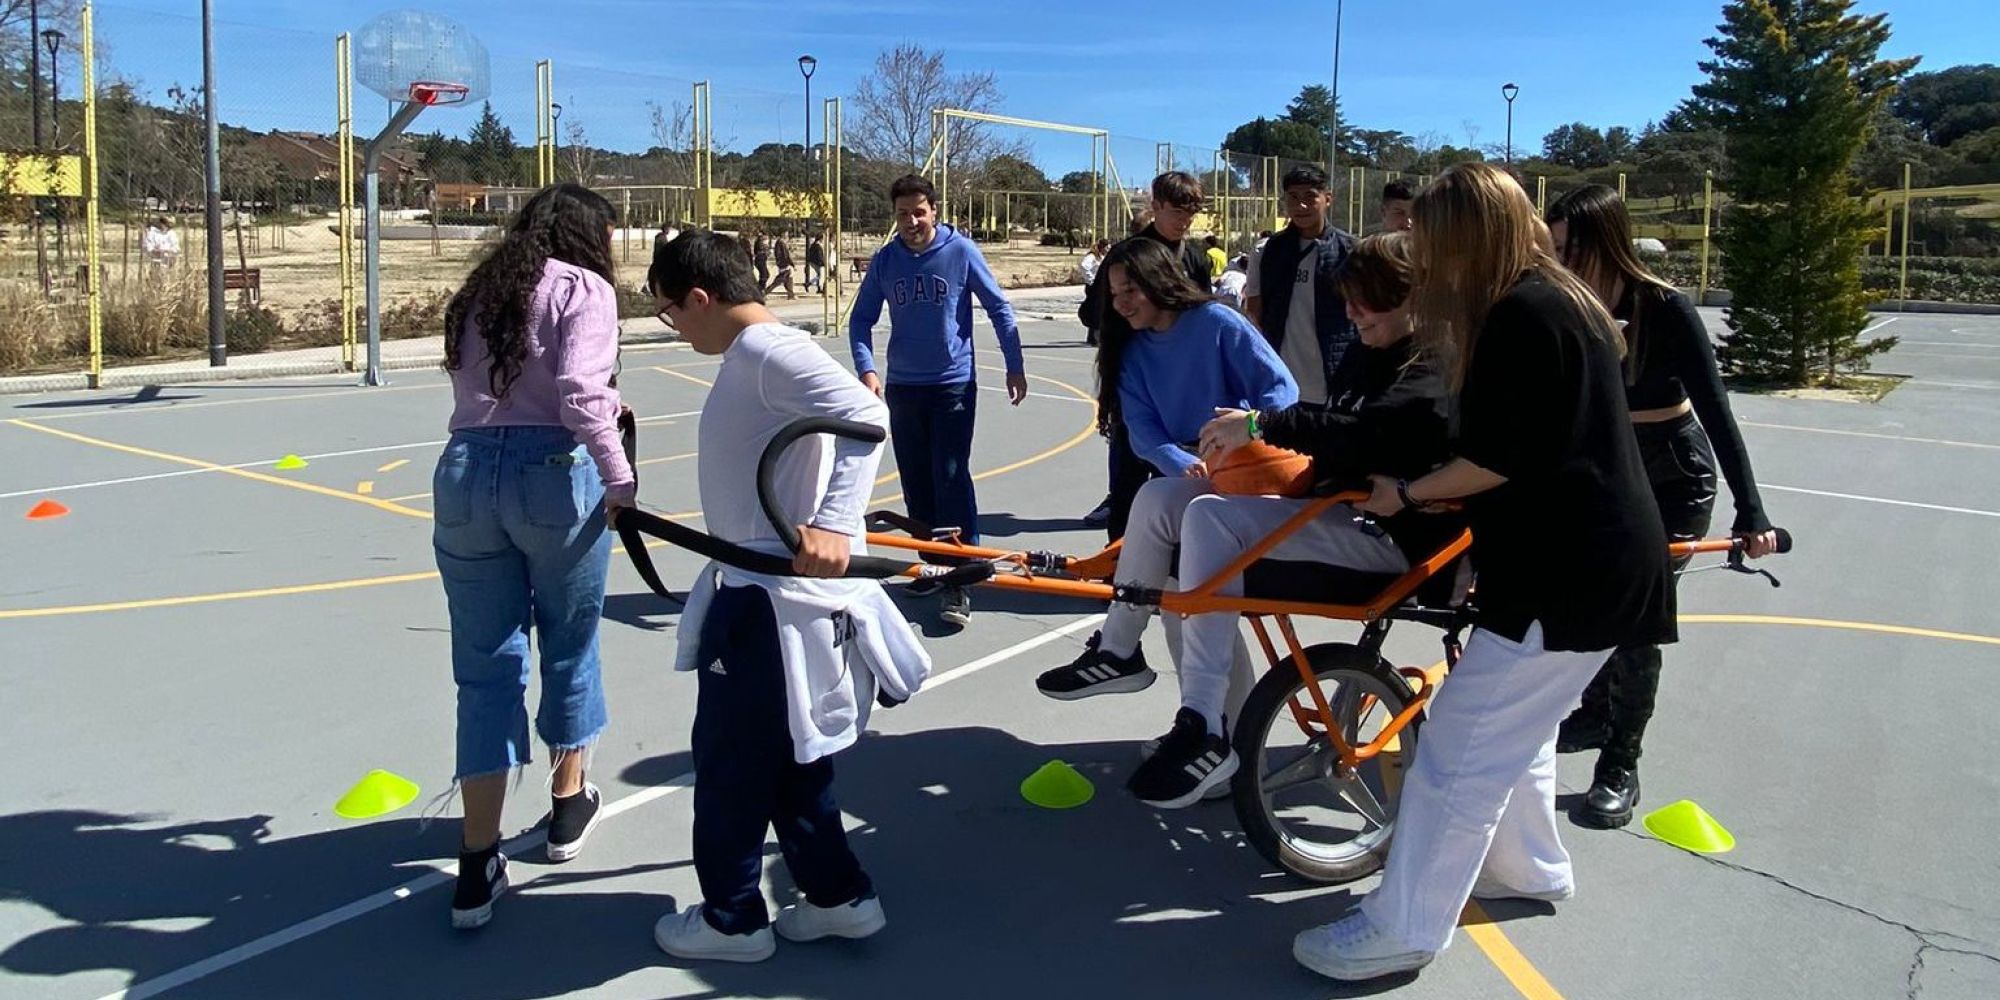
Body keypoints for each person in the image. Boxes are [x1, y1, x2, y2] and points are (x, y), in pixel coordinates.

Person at [1291, 162, 1676, 982]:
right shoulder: (1555, 298)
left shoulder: (1521, 315)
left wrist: (1408, 493)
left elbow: (1496, 461)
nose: (1424, 261)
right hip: (1588, 565)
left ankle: (1403, 926)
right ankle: (1532, 869)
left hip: (1569, 572)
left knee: (1458, 753)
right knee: (1519, 734)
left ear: (1467, 239)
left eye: (1432, 243)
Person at [647, 230, 929, 963]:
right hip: (764, 593)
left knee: (731, 764)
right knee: (790, 759)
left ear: (702, 299)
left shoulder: (770, 352)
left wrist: (835, 523)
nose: (676, 329)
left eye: (671, 314)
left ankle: (733, 918)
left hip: (766, 602)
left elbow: (869, 417)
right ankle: (839, 898)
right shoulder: (758, 354)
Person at [1124, 232, 1458, 807]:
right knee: (1166, 502)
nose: (1351, 313)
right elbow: (1337, 432)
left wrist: (1259, 426)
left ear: (1410, 297)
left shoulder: (1433, 363)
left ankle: (1203, 719)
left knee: (1210, 521)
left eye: (1365, 300)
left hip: (1393, 540)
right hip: (1338, 511)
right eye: (1347, 300)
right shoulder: (1367, 350)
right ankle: (1120, 647)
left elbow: (1368, 430)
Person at [1544, 184, 1779, 828]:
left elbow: (1718, 412)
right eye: (1553, 249)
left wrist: (1750, 510)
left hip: (1672, 473)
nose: (1559, 262)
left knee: (1637, 620)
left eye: (1568, 249)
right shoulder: (1568, 306)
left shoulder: (1666, 308)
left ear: (1603, 244)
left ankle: (1621, 761)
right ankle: (1593, 716)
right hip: (1605, 470)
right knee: (1589, 605)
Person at [433, 183, 634, 930]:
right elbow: (582, 393)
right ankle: (565, 805)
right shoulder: (583, 288)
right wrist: (620, 475)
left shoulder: (484, 288)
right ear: (590, 235)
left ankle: (477, 857)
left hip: (464, 468)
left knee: (484, 666)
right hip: (550, 475)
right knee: (569, 642)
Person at [1036, 239, 1296, 713]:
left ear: (1160, 281)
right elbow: (1145, 435)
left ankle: (1206, 720)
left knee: (1195, 599)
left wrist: (1244, 430)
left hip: (1252, 475)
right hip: (1196, 479)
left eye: (1131, 288)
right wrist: (1183, 463)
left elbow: (1283, 392)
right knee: (1177, 595)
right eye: (1114, 295)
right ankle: (1143, 670)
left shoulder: (1218, 324)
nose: (1122, 303)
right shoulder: (1131, 352)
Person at [848, 174, 1028, 628]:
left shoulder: (960, 252)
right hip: (904, 388)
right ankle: (932, 565)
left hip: (952, 384)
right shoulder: (886, 261)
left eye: (919, 212)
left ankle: (961, 578)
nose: (911, 221)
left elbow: (999, 308)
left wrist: (1014, 363)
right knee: (916, 482)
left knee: (949, 477)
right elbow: (861, 320)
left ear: (934, 211)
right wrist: (867, 371)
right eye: (903, 214)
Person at [1078, 172, 1216, 539]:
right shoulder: (1127, 256)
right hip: (1133, 381)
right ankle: (1119, 565)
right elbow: (1091, 313)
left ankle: (1173, 569)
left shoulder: (1196, 258)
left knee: (1183, 482)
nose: (1184, 221)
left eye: (1192, 213)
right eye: (1177, 212)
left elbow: (1203, 317)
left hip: (1181, 385)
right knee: (1128, 479)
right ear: (1155, 207)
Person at [1246, 165, 1359, 406]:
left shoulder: (1350, 251)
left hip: (1332, 382)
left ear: (1327, 199)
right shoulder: (1269, 251)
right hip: (1282, 382)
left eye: (1310, 197)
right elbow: (1255, 310)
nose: (1301, 206)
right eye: (1293, 198)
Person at [765, 233, 797, 300]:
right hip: (784, 264)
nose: (787, 237)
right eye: (786, 235)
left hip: (782, 264)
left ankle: (791, 294)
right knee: (779, 281)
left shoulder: (778, 243)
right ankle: (765, 293)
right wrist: (792, 264)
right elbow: (786, 255)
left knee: (789, 279)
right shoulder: (782, 243)